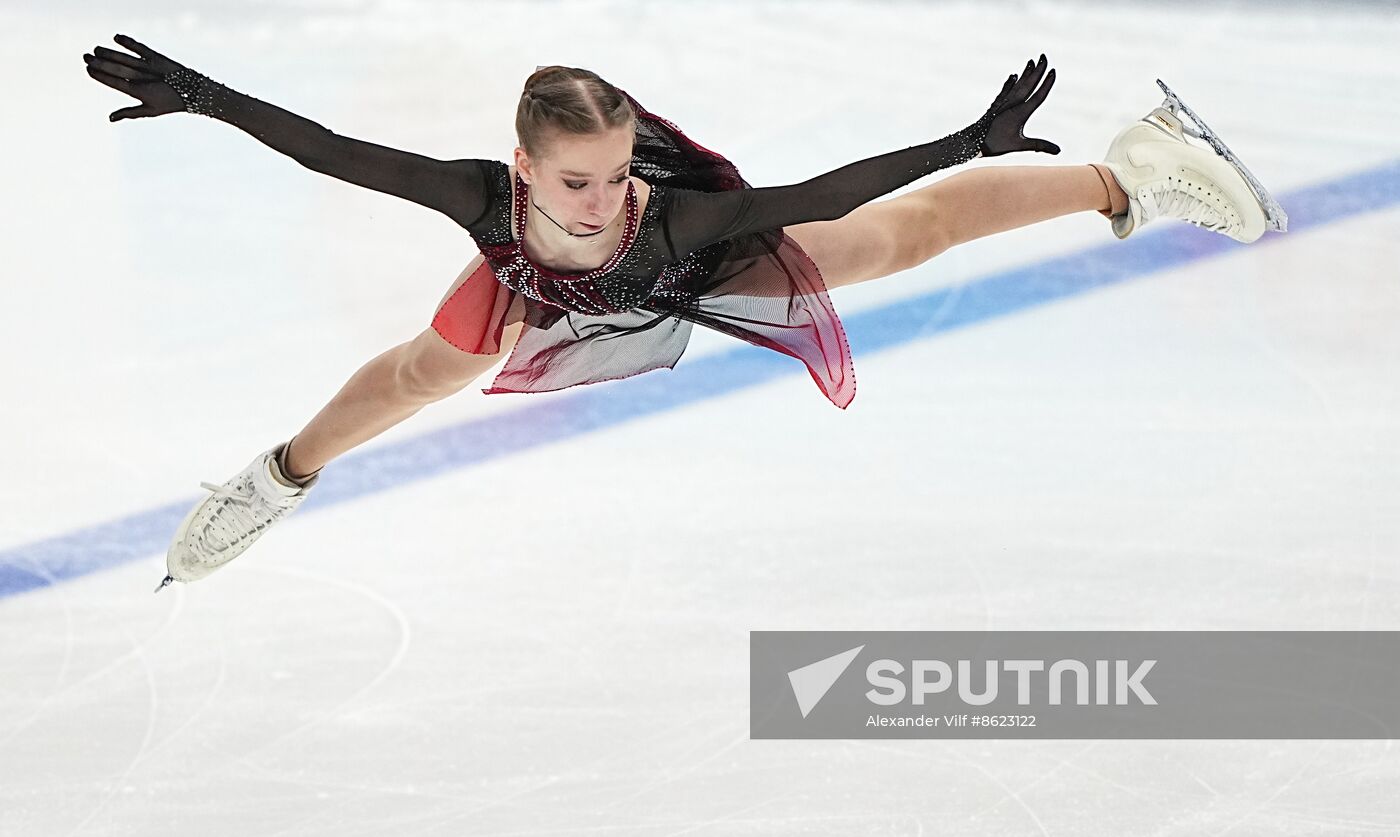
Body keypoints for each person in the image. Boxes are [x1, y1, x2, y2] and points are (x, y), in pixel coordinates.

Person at [81, 35, 1279, 592]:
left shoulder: (668, 219)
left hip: (679, 279)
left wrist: (959, 141)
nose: (603, 196)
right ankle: (274, 480)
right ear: (522, 167)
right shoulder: (478, 199)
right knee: (417, 375)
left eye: (614, 172)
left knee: (891, 237)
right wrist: (205, 95)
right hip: (527, 285)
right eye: (575, 180)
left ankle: (1132, 169)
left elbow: (816, 194)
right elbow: (336, 153)